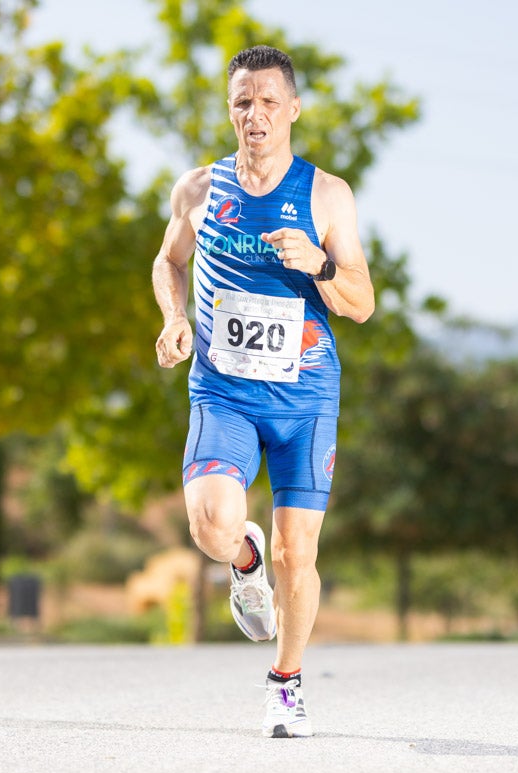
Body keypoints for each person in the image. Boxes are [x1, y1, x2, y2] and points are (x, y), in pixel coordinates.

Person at [152, 45, 375, 737]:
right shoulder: (197, 189)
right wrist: (175, 318)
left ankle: (286, 683)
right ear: (230, 109)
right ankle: (240, 560)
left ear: (294, 110)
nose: (256, 115)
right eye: (243, 102)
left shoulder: (326, 195)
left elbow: (361, 302)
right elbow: (167, 261)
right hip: (224, 391)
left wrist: (321, 263)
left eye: (269, 102)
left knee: (297, 556)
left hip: (306, 398)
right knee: (212, 525)